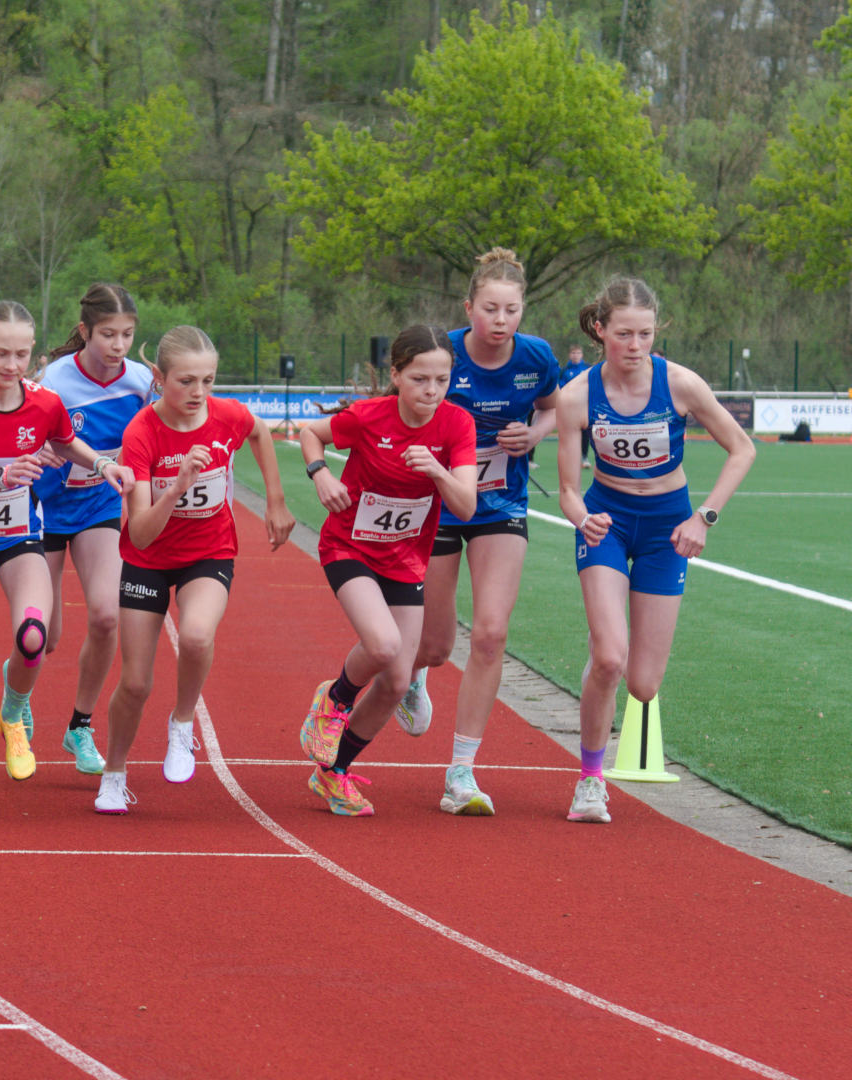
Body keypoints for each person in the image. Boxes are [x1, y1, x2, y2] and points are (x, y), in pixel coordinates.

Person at [556, 278, 754, 824]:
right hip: (607, 526)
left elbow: (742, 449)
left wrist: (704, 517)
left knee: (643, 684)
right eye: (624, 334)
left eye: (645, 334)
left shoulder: (682, 385)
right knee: (609, 657)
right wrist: (582, 519)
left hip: (669, 529)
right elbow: (569, 489)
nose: (635, 345)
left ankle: (607, 680)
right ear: (600, 330)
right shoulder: (576, 396)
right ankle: (590, 781)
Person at [0, 300, 130, 815]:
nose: (13, 365)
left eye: (22, 354)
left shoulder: (43, 402)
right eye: (1, 353)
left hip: (20, 537)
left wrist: (105, 464)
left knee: (34, 638)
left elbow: (68, 444)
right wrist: (2, 477)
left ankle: (14, 713)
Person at [95, 328, 294, 813]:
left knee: (199, 635)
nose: (199, 393)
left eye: (208, 380)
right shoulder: (141, 433)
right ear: (160, 379)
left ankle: (182, 724)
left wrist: (275, 500)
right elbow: (139, 532)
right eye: (186, 381)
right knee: (136, 683)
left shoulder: (226, 416)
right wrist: (178, 484)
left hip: (209, 551)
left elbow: (259, 431)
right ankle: (115, 772)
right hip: (149, 558)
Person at [296, 326, 477, 817]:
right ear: (395, 375)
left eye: (442, 380)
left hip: (404, 556)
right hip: (349, 545)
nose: (431, 391)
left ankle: (333, 774)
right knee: (382, 644)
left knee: (398, 681)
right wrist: (323, 476)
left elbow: (465, 504)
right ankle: (333, 702)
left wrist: (437, 471)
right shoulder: (368, 417)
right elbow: (310, 434)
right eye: (420, 379)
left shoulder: (457, 425)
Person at [403, 248, 559, 816]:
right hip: (441, 505)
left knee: (491, 633)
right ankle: (415, 675)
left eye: (512, 310)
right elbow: (407, 411)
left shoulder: (537, 356)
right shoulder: (441, 354)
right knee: (437, 645)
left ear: (523, 311)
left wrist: (534, 433)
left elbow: (553, 408)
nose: (501, 320)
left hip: (501, 507)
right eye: (490, 308)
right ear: (469, 307)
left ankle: (461, 773)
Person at [31, 283, 151, 775]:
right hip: (44, 508)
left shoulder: (142, 381)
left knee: (106, 616)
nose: (118, 346)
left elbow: (152, 435)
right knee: (44, 636)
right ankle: (17, 699)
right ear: (85, 332)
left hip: (98, 507)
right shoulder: (53, 379)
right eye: (107, 335)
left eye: (126, 335)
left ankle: (80, 725)